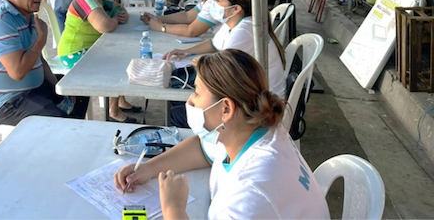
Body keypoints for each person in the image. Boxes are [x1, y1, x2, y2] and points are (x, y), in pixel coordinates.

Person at [114, 50, 330, 220]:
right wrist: (148, 168)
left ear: (226, 109)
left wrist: (173, 208)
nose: (189, 101)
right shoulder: (253, 130)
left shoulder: (250, 190)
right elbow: (203, 149)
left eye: (197, 92)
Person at [163, 0, 286, 127]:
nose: (213, 3)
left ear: (235, 9)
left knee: (175, 114)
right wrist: (187, 52)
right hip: (251, 96)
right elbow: (214, 45)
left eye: (218, 0)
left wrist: (202, 62)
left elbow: (221, 72)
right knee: (177, 98)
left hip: (262, 109)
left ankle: (211, 147)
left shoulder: (245, 30)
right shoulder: (235, 23)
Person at [0, 0, 89, 126]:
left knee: (79, 89)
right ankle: (68, 134)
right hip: (7, 102)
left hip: (34, 89)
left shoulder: (27, 16)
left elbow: (39, 59)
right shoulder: (1, 23)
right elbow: (18, 72)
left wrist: (58, 88)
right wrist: (41, 40)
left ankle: (72, 133)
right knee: (58, 121)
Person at [57, 0, 139, 123]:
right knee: (117, 64)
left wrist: (119, 15)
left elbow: (121, 10)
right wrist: (115, 18)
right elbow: (106, 26)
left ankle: (119, 100)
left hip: (91, 48)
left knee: (122, 57)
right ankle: (113, 110)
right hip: (73, 53)